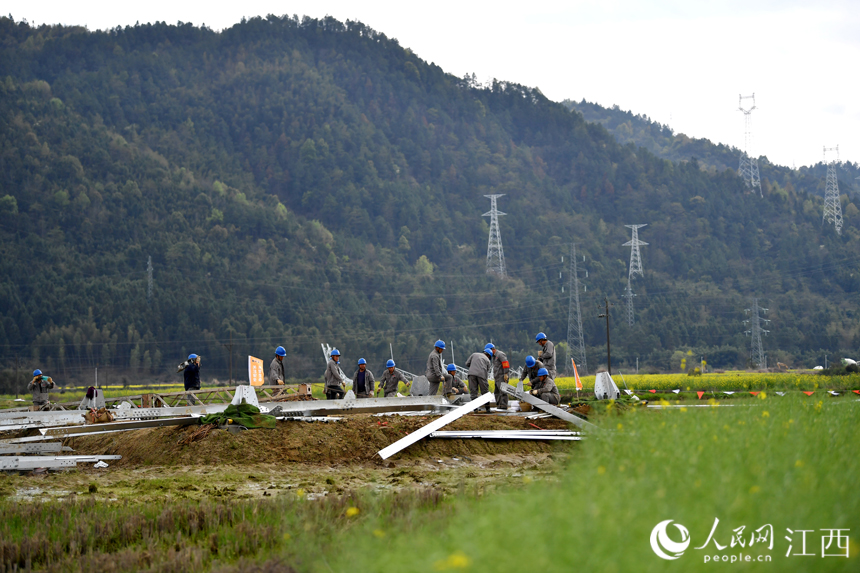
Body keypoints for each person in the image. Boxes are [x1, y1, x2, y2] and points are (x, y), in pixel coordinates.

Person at [465, 347, 493, 412]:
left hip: (471, 374)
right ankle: (488, 409)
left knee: (473, 392)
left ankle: (475, 409)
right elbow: (487, 370)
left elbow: (467, 364)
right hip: (482, 374)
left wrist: (474, 366)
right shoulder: (488, 360)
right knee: (485, 391)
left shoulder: (474, 354)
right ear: (488, 355)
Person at [485, 343, 511, 410]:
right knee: (496, 392)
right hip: (497, 377)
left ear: (492, 349)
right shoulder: (493, 357)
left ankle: (504, 406)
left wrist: (506, 374)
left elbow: (505, 363)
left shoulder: (500, 354)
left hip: (502, 376)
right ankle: (499, 405)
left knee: (503, 392)